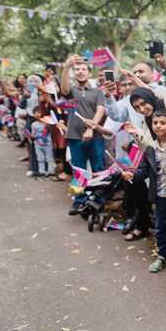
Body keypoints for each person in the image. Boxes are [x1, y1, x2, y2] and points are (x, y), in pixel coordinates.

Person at [122, 109, 166, 273]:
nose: (158, 126)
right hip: (161, 195)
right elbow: (144, 170)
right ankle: (163, 256)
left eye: (162, 123)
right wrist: (132, 174)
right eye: (155, 123)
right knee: (161, 228)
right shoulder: (151, 148)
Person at [60, 55, 107, 215]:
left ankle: (97, 200)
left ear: (89, 73)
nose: (80, 72)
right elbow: (64, 88)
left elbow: (100, 110)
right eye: (77, 69)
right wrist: (66, 67)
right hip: (75, 136)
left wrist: (91, 128)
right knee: (79, 170)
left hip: (96, 137)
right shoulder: (72, 91)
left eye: (83, 69)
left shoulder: (97, 92)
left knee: (98, 169)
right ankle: (78, 201)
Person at [30, 106, 56, 178]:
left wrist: (54, 142)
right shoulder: (34, 124)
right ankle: (42, 171)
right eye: (36, 113)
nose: (38, 115)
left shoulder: (48, 123)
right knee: (40, 158)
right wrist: (32, 135)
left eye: (40, 112)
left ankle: (51, 171)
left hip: (48, 144)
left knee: (49, 158)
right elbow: (33, 133)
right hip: (38, 144)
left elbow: (52, 133)